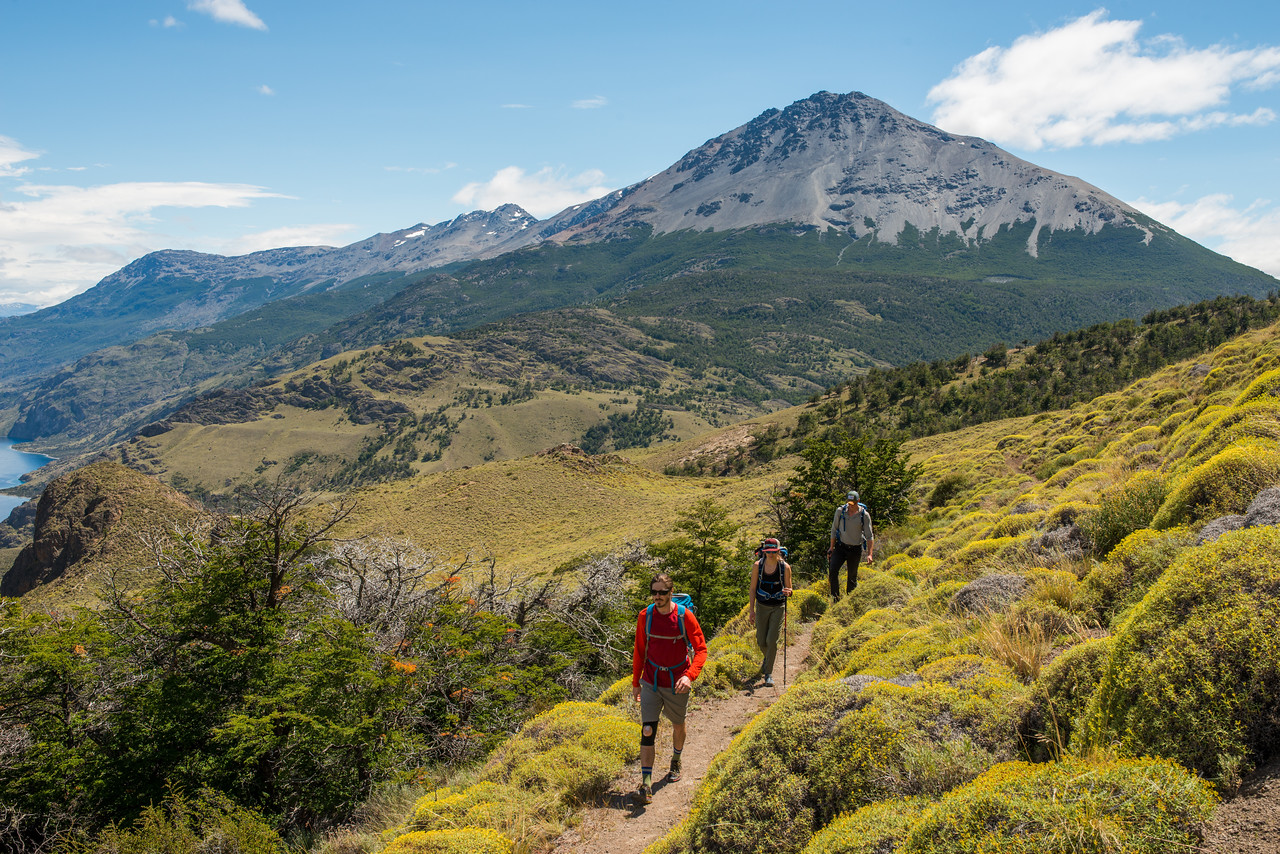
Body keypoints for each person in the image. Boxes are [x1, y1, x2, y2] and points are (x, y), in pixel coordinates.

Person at [631, 573, 708, 805]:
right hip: (651, 682)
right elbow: (639, 650)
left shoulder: (685, 617)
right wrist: (636, 683)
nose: (658, 596)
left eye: (662, 592)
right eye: (654, 592)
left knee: (678, 725)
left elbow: (701, 650)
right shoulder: (646, 616)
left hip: (677, 682)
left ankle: (676, 759)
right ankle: (646, 783)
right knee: (647, 730)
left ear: (671, 593)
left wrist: (689, 676)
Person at [747, 537, 792, 688]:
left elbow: (790, 589)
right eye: (768, 552)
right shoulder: (757, 566)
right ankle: (768, 659)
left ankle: (768, 673)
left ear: (778, 551)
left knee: (772, 640)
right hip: (761, 607)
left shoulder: (785, 567)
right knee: (761, 641)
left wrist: (789, 591)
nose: (771, 555)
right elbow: (753, 589)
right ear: (764, 552)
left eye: (773, 552)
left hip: (778, 607)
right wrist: (751, 610)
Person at [828, 490, 874, 601]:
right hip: (841, 547)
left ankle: (850, 599)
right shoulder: (840, 511)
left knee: (852, 577)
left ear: (858, 501)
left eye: (853, 503)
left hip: (855, 549)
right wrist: (831, 548)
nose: (850, 506)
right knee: (833, 570)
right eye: (849, 503)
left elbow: (869, 536)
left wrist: (870, 554)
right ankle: (835, 598)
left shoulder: (864, 515)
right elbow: (834, 530)